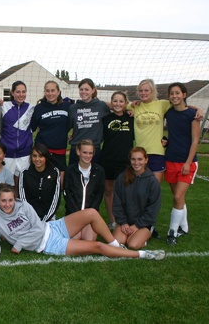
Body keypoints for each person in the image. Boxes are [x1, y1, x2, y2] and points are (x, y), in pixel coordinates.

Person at [0, 183, 165, 260]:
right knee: (97, 247)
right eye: (3, 201)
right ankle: (143, 255)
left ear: (14, 198)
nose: (8, 204)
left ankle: (116, 245)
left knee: (92, 213)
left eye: (10, 200)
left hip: (52, 227)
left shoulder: (23, 205)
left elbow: (39, 228)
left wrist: (20, 243)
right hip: (49, 244)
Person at [164, 82, 200, 245]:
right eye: (172, 93)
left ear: (184, 94)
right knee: (177, 197)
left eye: (177, 93)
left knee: (178, 196)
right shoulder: (169, 113)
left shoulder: (193, 114)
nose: (174, 96)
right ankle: (184, 227)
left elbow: (195, 141)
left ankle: (172, 231)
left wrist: (188, 162)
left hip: (187, 162)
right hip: (170, 159)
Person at [112, 147, 161, 249]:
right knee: (117, 243)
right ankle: (130, 234)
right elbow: (117, 203)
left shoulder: (152, 181)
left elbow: (153, 209)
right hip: (125, 221)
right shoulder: (122, 178)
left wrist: (137, 225)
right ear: (130, 160)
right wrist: (123, 222)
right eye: (133, 159)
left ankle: (145, 235)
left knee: (132, 244)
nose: (136, 162)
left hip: (143, 223)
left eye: (140, 159)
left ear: (146, 160)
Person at [100, 91, 134, 230]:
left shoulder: (132, 118)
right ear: (111, 102)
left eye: (121, 101)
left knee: (125, 192)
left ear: (126, 103)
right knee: (108, 190)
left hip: (125, 161)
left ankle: (126, 220)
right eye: (115, 101)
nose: (118, 104)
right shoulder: (105, 118)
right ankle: (112, 221)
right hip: (107, 159)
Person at [63, 139, 105, 241]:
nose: (87, 156)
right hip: (73, 214)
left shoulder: (99, 171)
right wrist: (77, 215)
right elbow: (67, 193)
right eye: (85, 152)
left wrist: (89, 214)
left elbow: (99, 194)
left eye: (90, 153)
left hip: (90, 216)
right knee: (74, 241)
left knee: (88, 241)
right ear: (78, 152)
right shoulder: (70, 170)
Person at [31, 80, 70, 182]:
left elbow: (73, 123)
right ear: (44, 92)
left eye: (53, 90)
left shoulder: (67, 106)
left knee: (59, 183)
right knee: (43, 182)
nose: (50, 93)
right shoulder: (39, 108)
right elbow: (32, 127)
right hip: (43, 151)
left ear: (58, 92)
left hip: (59, 151)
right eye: (47, 91)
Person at [68, 78, 111, 165]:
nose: (84, 92)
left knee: (94, 176)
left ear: (93, 90)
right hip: (77, 148)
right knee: (74, 177)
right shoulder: (73, 108)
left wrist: (130, 110)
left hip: (94, 148)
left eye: (87, 89)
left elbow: (118, 107)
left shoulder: (101, 106)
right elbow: (68, 126)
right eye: (81, 89)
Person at [1, 81, 35, 184]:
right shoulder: (3, 106)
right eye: (18, 92)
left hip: (24, 154)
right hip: (7, 153)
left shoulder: (31, 108)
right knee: (6, 185)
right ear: (12, 92)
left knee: (22, 185)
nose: (21, 95)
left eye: (23, 92)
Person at [18, 143, 60, 222]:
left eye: (41, 156)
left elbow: (55, 199)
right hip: (28, 216)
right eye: (34, 156)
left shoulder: (54, 172)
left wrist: (44, 220)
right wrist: (33, 218)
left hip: (48, 215)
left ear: (46, 157)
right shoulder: (24, 173)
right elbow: (22, 199)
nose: (37, 159)